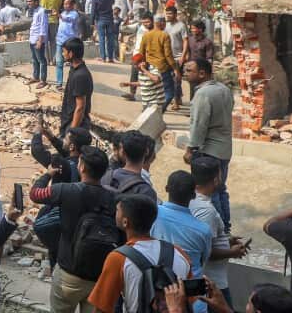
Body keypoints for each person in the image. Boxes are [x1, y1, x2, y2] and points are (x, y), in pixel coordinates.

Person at [29, 146, 117, 313]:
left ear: (81, 167)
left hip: (68, 273)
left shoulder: (66, 190)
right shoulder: (114, 198)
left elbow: (35, 194)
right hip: (98, 276)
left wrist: (48, 174)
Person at [88, 194, 191, 313]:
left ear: (125, 222)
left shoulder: (118, 258)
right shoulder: (179, 252)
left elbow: (102, 307)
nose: (115, 213)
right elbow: (190, 298)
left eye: (117, 210)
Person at [190, 156, 249, 306]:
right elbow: (205, 251)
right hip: (213, 283)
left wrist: (225, 241)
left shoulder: (190, 200)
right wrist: (233, 252)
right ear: (216, 179)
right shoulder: (206, 211)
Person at [183, 58, 233, 231]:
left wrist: (190, 149)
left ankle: (218, 230)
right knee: (220, 189)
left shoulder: (203, 94)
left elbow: (199, 124)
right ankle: (225, 227)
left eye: (189, 70)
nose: (186, 73)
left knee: (210, 193)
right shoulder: (224, 89)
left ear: (202, 73)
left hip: (209, 151)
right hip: (224, 149)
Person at [59, 38, 93, 136]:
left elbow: (80, 107)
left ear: (71, 54)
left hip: (75, 123)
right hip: (69, 119)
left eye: (64, 52)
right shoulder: (74, 69)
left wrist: (71, 133)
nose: (63, 54)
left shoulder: (80, 76)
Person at [28, 0, 49, 86]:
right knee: (34, 59)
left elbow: (43, 27)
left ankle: (43, 80)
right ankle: (35, 77)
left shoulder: (42, 11)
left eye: (30, 1)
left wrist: (40, 41)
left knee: (41, 60)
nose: (29, 3)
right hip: (32, 38)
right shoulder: (34, 11)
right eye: (28, 1)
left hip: (38, 39)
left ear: (36, 2)